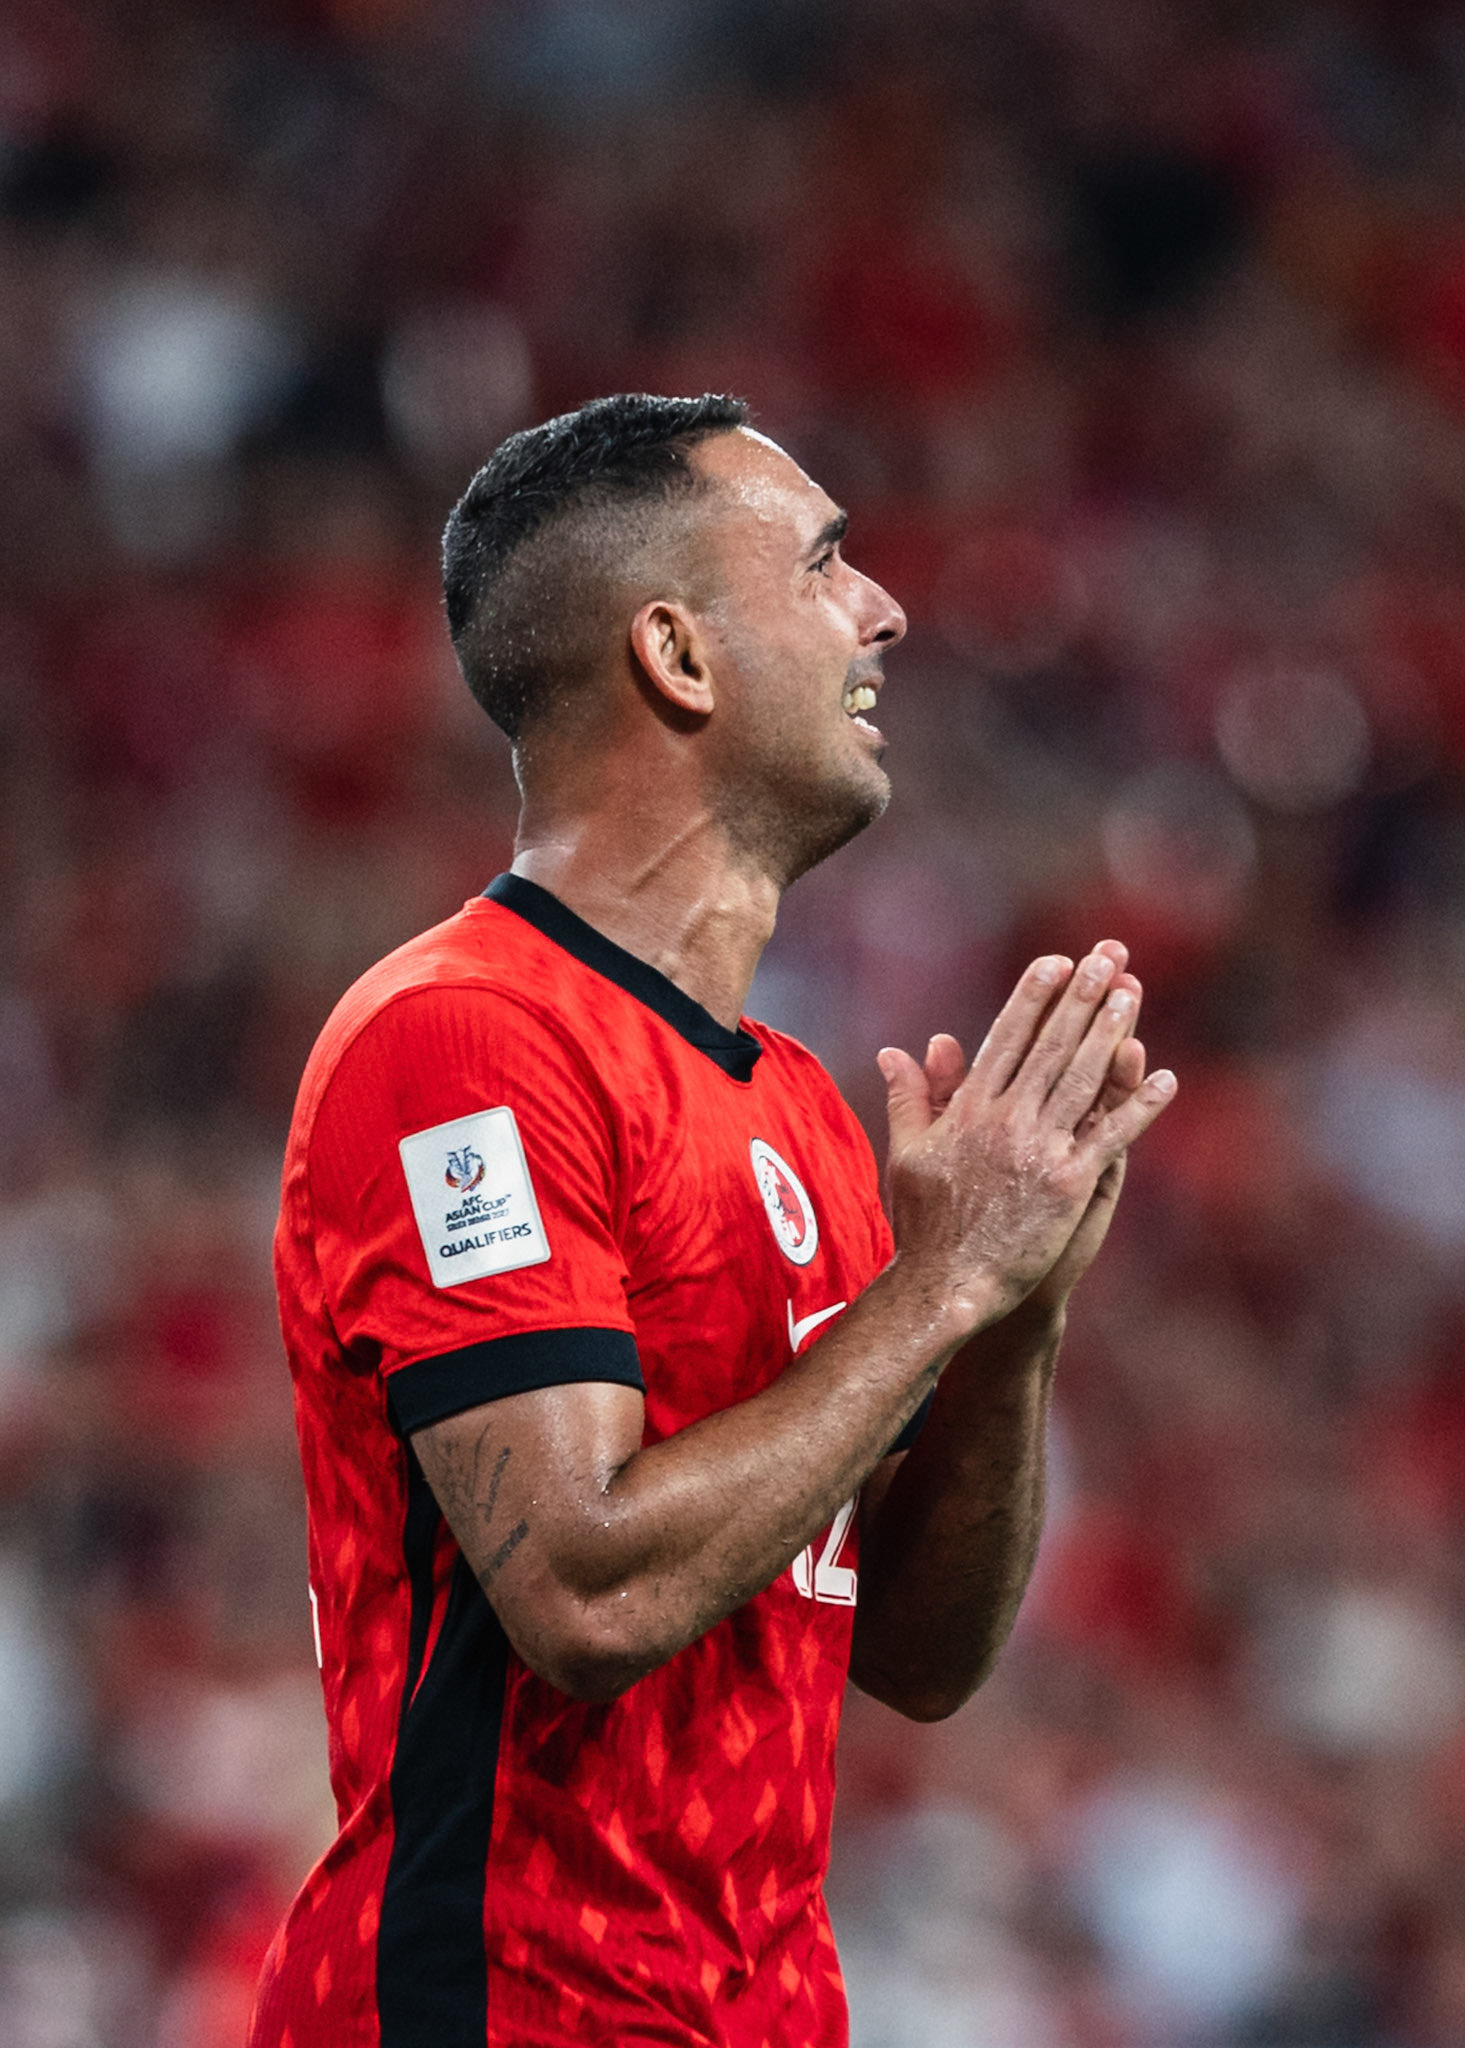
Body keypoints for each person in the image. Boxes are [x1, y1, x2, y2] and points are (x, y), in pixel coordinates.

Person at [249, 392, 1176, 2048]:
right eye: (823, 561)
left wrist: (1010, 1317)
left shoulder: (803, 1109)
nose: (884, 608)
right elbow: (585, 1595)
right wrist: (942, 1281)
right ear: (675, 654)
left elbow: (914, 1652)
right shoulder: (462, 1039)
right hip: (502, 2008)